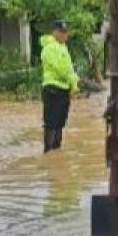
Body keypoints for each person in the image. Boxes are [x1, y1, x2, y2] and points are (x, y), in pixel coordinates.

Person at [40, 19, 79, 152]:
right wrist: (74, 81)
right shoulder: (49, 47)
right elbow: (61, 69)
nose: (64, 35)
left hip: (64, 90)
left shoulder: (63, 47)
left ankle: (56, 152)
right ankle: (48, 151)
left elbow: (69, 68)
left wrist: (74, 84)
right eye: (61, 32)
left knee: (60, 123)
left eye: (65, 32)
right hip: (52, 89)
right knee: (51, 123)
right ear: (54, 32)